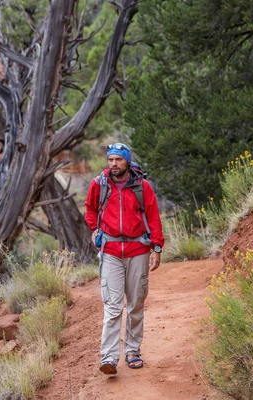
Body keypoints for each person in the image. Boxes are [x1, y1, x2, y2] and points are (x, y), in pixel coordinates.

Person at [84, 143, 164, 375]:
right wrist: (94, 229)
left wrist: (156, 247)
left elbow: (154, 217)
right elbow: (90, 209)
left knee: (136, 303)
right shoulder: (98, 185)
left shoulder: (142, 186)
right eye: (110, 160)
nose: (114, 164)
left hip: (138, 250)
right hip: (110, 252)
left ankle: (133, 351)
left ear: (127, 161)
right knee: (113, 306)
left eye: (118, 160)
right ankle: (108, 357)